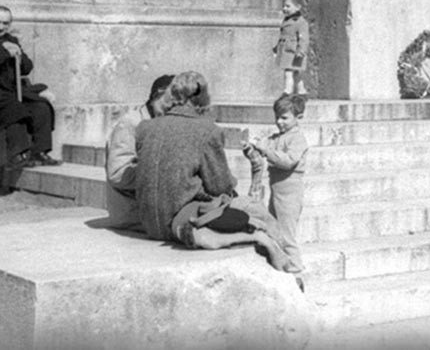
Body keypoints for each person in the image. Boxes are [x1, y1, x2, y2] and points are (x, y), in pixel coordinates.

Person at [134, 71, 296, 276]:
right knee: (255, 210)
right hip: (179, 220)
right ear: (203, 98)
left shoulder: (145, 128)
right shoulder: (208, 131)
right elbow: (220, 186)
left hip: (149, 223)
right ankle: (288, 268)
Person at [0, 5, 60, 187]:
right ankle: (16, 156)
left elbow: (26, 68)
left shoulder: (11, 40)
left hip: (8, 92)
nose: (1, 27)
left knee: (41, 106)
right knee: (14, 108)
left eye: (5, 23)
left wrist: (17, 51)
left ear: (10, 24)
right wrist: (3, 51)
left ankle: (39, 151)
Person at [244, 94, 310, 281]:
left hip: (290, 192)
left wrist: (265, 149)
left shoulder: (297, 139)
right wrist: (252, 148)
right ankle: (283, 267)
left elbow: (288, 161)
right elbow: (265, 148)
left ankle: (296, 272)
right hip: (277, 191)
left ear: (299, 117)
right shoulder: (277, 137)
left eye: (285, 118)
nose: (279, 122)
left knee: (287, 235)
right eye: (277, 117)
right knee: (275, 230)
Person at [104, 73, 175, 231]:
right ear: (158, 93)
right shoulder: (130, 123)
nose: (174, 106)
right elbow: (117, 174)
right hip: (131, 212)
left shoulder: (163, 121)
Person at [274, 0, 310, 95]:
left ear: (298, 7)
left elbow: (304, 38)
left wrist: (301, 50)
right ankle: (300, 91)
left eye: (288, 6)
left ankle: (289, 91)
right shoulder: (286, 21)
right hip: (287, 53)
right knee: (291, 72)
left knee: (293, 73)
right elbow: (283, 36)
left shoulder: (301, 22)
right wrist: (276, 48)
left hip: (295, 52)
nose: (284, 9)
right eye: (283, 6)